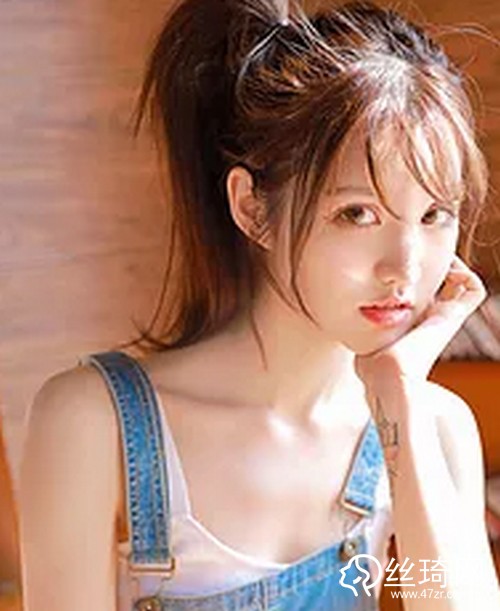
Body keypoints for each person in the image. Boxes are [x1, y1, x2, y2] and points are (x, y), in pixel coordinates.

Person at [18, 0, 500, 609]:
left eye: (434, 215)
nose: (403, 267)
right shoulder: (94, 422)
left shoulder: (433, 427)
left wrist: (398, 397)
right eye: (357, 213)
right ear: (252, 208)